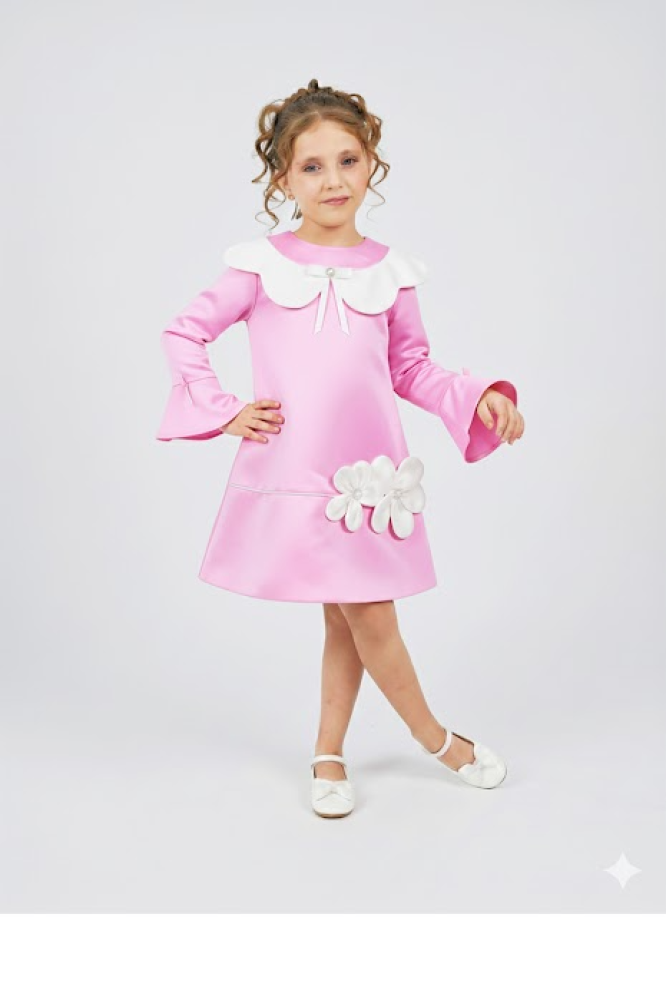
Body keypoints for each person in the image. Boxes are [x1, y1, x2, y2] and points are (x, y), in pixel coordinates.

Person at [156, 79, 525, 819]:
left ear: (371, 165)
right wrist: (225, 410)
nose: (333, 180)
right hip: (297, 472)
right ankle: (437, 740)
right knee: (365, 613)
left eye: (348, 161)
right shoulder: (260, 266)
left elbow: (410, 368)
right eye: (312, 166)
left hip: (367, 477)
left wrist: (476, 393)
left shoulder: (392, 274)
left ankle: (328, 753)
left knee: (349, 615)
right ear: (283, 179)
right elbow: (184, 332)